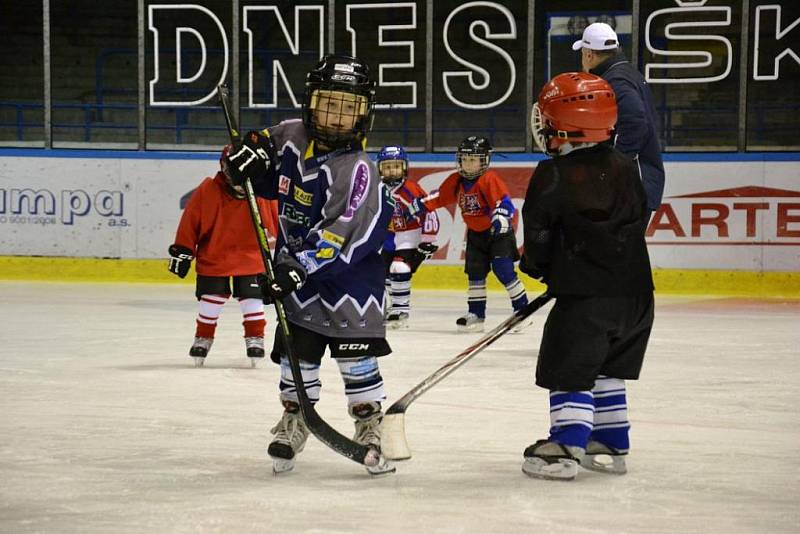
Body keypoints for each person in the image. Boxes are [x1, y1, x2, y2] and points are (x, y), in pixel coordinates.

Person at [223, 54, 395, 475]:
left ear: (364, 113)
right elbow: (254, 161)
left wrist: (297, 267)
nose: (337, 117)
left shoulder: (357, 170)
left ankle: (369, 422)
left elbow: (340, 235)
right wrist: (239, 159)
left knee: (356, 361)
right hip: (295, 273)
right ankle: (295, 417)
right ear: (310, 102)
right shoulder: (291, 135)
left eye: (348, 107)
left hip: (350, 283)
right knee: (297, 355)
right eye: (328, 103)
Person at [521, 72, 654, 481]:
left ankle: (566, 445)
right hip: (636, 297)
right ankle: (611, 442)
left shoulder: (553, 173)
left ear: (562, 124)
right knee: (606, 367)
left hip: (587, 300)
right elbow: (631, 220)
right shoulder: (625, 167)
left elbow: (539, 232)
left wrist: (538, 266)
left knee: (570, 364)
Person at [167, 146, 279, 367]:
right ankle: (203, 337)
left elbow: (280, 221)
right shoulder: (208, 190)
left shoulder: (263, 192)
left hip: (252, 255)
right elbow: (191, 221)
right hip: (215, 254)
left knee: (252, 297)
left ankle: (255, 337)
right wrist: (183, 249)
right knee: (212, 296)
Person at [408, 136, 528, 332]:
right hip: (475, 235)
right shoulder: (457, 181)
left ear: (484, 161)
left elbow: (503, 202)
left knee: (504, 271)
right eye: (464, 159)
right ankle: (476, 315)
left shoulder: (489, 179)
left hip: (497, 234)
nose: (467, 163)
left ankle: (523, 311)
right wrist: (420, 205)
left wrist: (501, 217)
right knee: (475, 274)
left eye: (473, 159)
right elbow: (440, 196)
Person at [573, 21, 665, 215]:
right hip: (637, 184)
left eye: (582, 53)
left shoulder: (616, 80)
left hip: (632, 186)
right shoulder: (626, 72)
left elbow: (636, 123)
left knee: (617, 245)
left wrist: (613, 164)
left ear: (589, 54)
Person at [377, 145, 439, 329]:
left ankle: (401, 309)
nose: (391, 170)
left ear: (404, 167)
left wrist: (428, 240)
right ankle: (392, 308)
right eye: (387, 166)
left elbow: (430, 212)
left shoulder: (411, 190)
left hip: (408, 235)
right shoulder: (377, 188)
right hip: (387, 236)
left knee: (399, 267)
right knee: (382, 272)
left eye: (396, 166)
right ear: (379, 168)